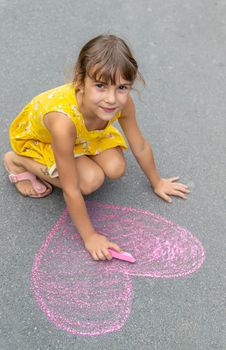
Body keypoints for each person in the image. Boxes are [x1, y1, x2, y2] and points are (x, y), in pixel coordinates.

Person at [3, 34, 189, 261]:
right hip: (42, 140)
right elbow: (71, 188)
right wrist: (90, 236)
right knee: (89, 182)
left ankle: (82, 155)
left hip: (85, 134)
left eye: (122, 87)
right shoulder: (62, 123)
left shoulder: (120, 103)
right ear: (80, 82)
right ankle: (17, 160)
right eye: (100, 86)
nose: (112, 98)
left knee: (116, 168)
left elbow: (139, 145)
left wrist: (157, 181)